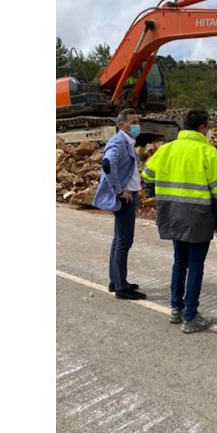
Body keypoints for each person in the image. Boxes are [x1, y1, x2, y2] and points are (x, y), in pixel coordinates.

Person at [141, 109, 217, 333]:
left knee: (179, 262)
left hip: (172, 214)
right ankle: (190, 316)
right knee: (196, 266)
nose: (209, 131)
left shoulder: (166, 149)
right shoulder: (207, 152)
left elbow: (147, 175)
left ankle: (176, 309)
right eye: (208, 127)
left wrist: (156, 193)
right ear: (201, 128)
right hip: (198, 217)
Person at [92, 108, 147, 300]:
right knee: (124, 241)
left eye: (137, 121)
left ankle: (116, 281)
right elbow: (108, 164)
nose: (137, 125)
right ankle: (121, 287)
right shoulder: (118, 142)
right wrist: (119, 191)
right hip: (126, 197)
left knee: (119, 239)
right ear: (121, 125)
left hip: (128, 194)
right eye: (133, 122)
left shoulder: (126, 141)